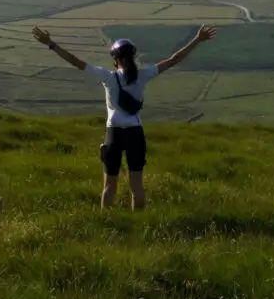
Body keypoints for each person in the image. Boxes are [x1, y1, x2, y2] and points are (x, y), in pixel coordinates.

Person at [31, 25, 217, 209]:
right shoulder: (143, 75)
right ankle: (138, 225)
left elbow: (75, 61)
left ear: (115, 59)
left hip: (114, 133)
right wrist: (197, 40)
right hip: (135, 132)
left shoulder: (108, 77)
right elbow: (172, 60)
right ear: (133, 57)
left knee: (109, 186)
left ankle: (107, 225)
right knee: (137, 187)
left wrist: (51, 44)